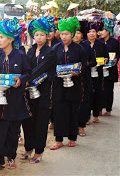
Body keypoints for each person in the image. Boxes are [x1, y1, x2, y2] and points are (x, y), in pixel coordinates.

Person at [0, 18, 31, 172]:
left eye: (1, 37)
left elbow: (28, 72)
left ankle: (11, 157)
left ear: (11, 39)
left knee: (12, 131)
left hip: (15, 100)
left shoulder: (20, 55)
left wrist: (21, 80)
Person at [21, 17, 57, 163]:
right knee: (28, 120)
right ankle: (28, 148)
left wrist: (27, 78)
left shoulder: (51, 52)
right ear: (33, 36)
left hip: (44, 92)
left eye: (42, 34)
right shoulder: (30, 51)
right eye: (36, 35)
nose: (39, 37)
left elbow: (41, 69)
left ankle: (39, 151)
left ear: (47, 35)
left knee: (41, 122)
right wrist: (25, 78)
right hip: (29, 92)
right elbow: (26, 67)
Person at [50, 17, 86, 150]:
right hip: (59, 85)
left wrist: (78, 72)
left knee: (73, 110)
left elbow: (84, 67)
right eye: (62, 33)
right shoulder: (55, 49)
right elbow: (51, 66)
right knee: (59, 111)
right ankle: (58, 140)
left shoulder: (79, 49)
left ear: (72, 34)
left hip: (75, 85)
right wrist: (56, 73)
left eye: (67, 34)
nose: (64, 36)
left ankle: (72, 137)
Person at [73, 19, 96, 136]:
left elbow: (93, 61)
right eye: (74, 33)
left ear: (82, 35)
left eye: (78, 33)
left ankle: (81, 126)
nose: (76, 35)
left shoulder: (86, 46)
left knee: (83, 102)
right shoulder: (66, 46)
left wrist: (85, 63)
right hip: (70, 79)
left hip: (83, 79)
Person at [83, 20, 109, 123]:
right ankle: (87, 117)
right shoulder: (84, 44)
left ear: (97, 33)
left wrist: (105, 60)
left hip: (98, 72)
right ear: (87, 33)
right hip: (87, 73)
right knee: (87, 95)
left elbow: (106, 56)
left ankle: (96, 114)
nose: (92, 34)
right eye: (90, 31)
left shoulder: (101, 44)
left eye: (94, 31)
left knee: (98, 93)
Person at [98, 18, 120, 116]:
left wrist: (116, 59)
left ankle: (108, 108)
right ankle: (99, 108)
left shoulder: (114, 42)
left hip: (110, 69)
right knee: (99, 89)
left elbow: (118, 53)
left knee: (109, 89)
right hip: (100, 68)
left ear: (108, 31)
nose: (101, 32)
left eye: (102, 30)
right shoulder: (99, 41)